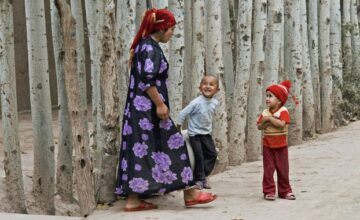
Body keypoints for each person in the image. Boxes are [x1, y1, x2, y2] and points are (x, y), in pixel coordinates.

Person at [115, 8, 217, 212]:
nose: (172, 34)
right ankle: (190, 193)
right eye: (171, 30)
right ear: (161, 28)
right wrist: (160, 104)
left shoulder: (145, 46)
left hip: (140, 110)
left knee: (140, 149)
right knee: (175, 144)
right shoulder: (150, 48)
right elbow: (147, 80)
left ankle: (133, 200)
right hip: (149, 110)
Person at [176, 75, 219, 190]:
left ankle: (203, 175)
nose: (208, 86)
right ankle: (199, 180)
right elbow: (182, 114)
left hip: (206, 134)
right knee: (199, 156)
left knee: (212, 154)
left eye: (211, 84)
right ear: (200, 87)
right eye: (205, 84)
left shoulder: (215, 102)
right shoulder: (196, 103)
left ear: (217, 89)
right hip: (195, 135)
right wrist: (178, 129)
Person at [257, 80, 296, 201]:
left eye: (270, 96)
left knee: (283, 170)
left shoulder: (283, 111)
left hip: (281, 146)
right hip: (268, 145)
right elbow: (259, 126)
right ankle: (268, 191)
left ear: (279, 100)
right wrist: (267, 120)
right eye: (267, 96)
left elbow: (281, 124)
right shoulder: (265, 112)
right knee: (268, 170)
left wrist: (269, 120)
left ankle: (285, 191)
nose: (267, 99)